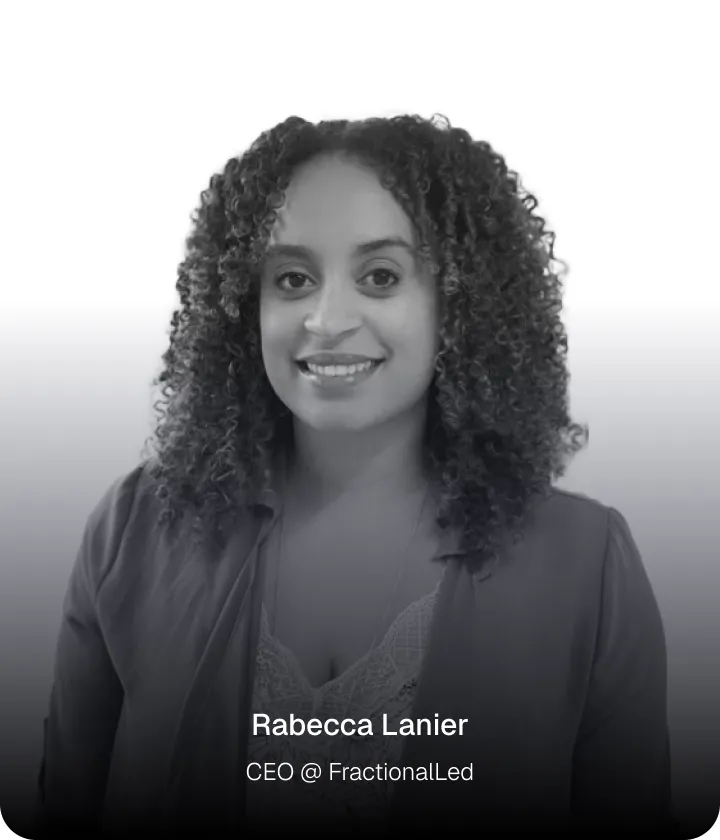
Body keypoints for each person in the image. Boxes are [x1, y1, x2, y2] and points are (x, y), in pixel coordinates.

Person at [37, 113, 671, 836]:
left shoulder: (588, 563)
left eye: (380, 277)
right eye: (293, 279)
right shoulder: (133, 532)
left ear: (459, 304)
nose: (328, 318)